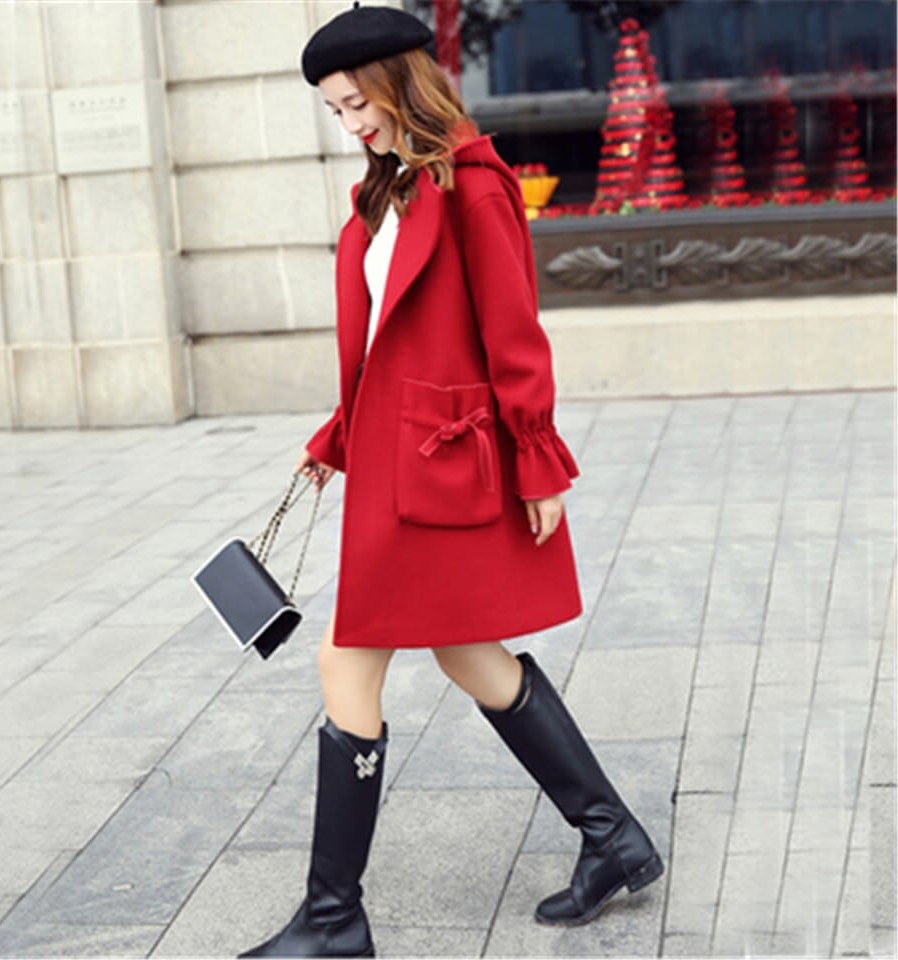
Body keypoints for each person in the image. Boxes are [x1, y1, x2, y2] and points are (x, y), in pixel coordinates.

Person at [237, 3, 663, 957]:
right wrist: (335, 438)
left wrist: (538, 458)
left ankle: (334, 921)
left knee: (347, 660)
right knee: (468, 653)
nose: (351, 124)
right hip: (394, 462)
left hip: (440, 466)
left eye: (358, 103)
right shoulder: (387, 189)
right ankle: (612, 837)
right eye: (335, 110)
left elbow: (514, 333)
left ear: (400, 82)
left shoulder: (473, 185)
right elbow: (388, 342)